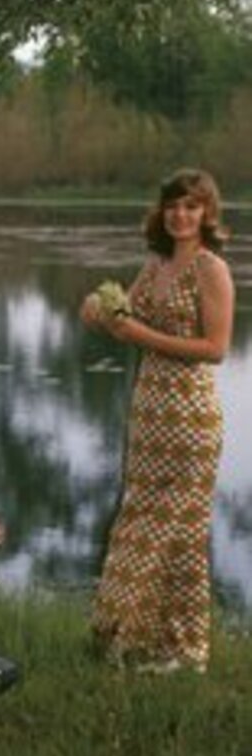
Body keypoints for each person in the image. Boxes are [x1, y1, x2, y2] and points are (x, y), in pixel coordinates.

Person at [82, 168, 235, 674]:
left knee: (176, 530)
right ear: (161, 212)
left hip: (190, 418)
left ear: (207, 214)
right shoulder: (155, 265)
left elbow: (215, 349)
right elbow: (122, 314)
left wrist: (138, 335)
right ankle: (148, 643)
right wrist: (97, 310)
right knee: (143, 522)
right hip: (149, 413)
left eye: (191, 206)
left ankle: (168, 645)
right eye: (172, 205)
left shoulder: (211, 270)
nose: (180, 215)